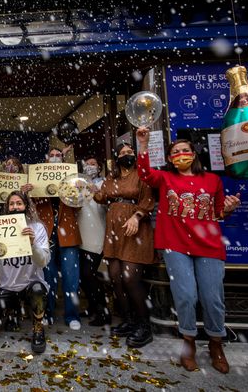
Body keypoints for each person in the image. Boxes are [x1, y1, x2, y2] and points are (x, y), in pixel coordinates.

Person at [136, 127, 240, 373]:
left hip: (209, 246)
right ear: (170, 158)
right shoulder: (165, 178)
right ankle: (188, 342)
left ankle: (216, 343)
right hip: (176, 245)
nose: (180, 154)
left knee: (212, 298)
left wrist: (230, 207)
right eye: (175, 152)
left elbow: (217, 213)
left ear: (194, 154)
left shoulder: (212, 181)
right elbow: (144, 174)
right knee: (186, 296)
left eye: (184, 150)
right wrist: (143, 144)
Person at [0, 191, 51, 354]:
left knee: (37, 290)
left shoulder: (37, 227)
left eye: (19, 203)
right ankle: (13, 312)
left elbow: (43, 261)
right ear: (7, 207)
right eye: (12, 204)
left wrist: (32, 245)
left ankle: (38, 328)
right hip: (8, 287)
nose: (15, 206)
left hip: (31, 284)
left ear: (26, 206)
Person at [93, 143, 155, 348]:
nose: (127, 155)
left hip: (135, 230)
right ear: (116, 158)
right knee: (116, 278)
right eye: (123, 153)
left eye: (130, 152)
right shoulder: (112, 178)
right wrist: (91, 189)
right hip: (114, 231)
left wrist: (136, 217)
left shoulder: (141, 175)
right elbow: (101, 198)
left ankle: (144, 325)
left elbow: (147, 201)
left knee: (130, 278)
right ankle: (128, 320)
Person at [33, 148, 82, 329]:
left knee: (71, 276)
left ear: (63, 159)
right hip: (46, 233)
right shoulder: (39, 177)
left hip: (68, 232)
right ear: (46, 159)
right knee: (48, 275)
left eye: (58, 155)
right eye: (52, 155)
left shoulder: (71, 178)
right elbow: (32, 206)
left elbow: (79, 206)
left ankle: (72, 315)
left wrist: (78, 190)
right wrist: (31, 190)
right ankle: (48, 312)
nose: (55, 158)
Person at [77, 155, 110, 326]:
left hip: (96, 232)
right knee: (83, 275)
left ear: (99, 167)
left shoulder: (105, 183)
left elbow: (107, 203)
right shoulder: (77, 183)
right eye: (86, 164)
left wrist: (96, 191)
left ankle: (103, 311)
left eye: (93, 164)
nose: (89, 167)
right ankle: (92, 306)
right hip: (80, 234)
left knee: (90, 274)